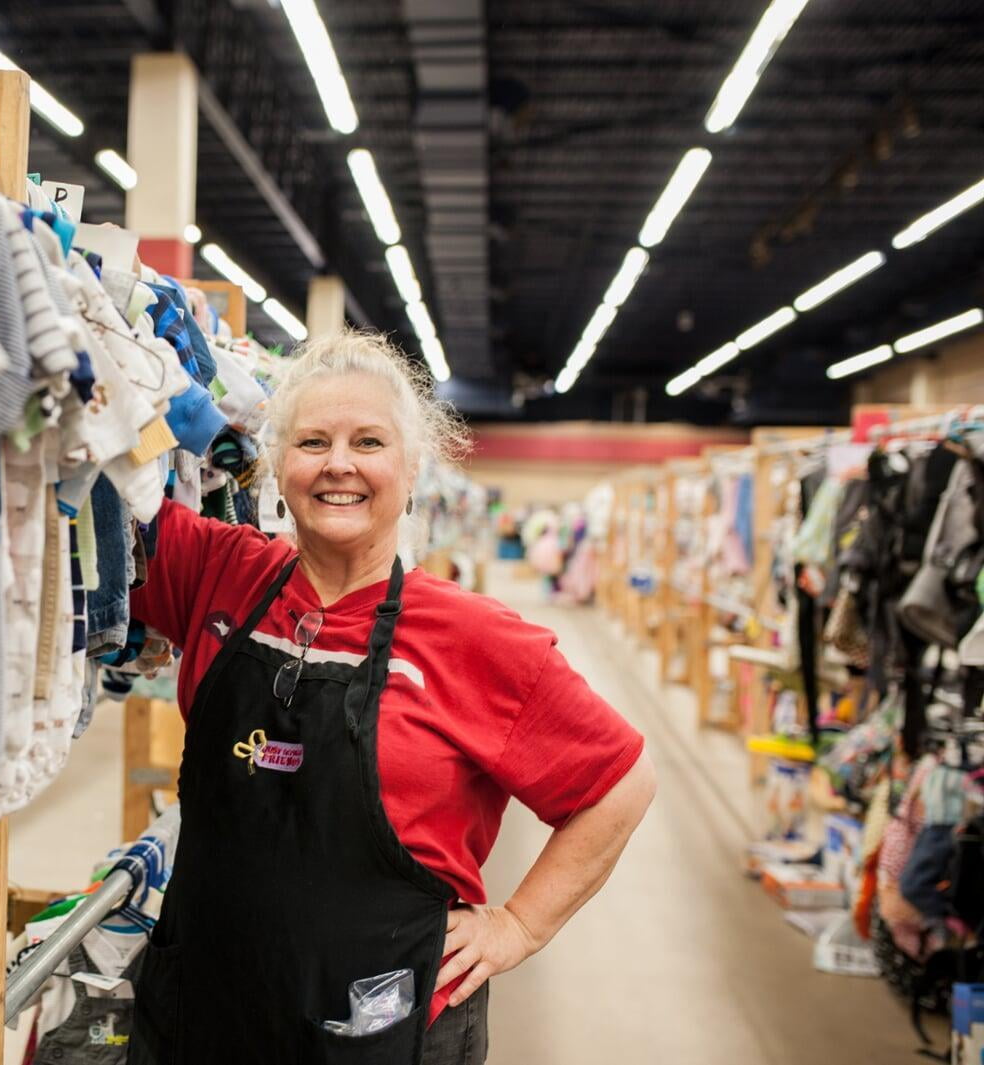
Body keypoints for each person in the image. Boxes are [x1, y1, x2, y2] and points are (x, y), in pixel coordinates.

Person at [126, 331, 656, 1064]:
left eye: (368, 441)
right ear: (278, 466)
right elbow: (83, 475)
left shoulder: (474, 637)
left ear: (410, 470)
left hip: (380, 1033)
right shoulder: (219, 572)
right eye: (312, 440)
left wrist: (519, 926)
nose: (338, 464)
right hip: (202, 1013)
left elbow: (621, 783)